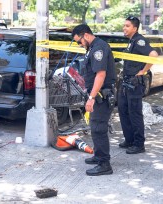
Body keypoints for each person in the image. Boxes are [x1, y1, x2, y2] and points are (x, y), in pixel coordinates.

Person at [72, 24, 116, 176]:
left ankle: (104, 164)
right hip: (97, 95)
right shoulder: (91, 48)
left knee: (98, 128)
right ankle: (98, 155)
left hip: (101, 96)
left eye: (79, 41)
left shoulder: (99, 48)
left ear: (85, 34)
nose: (79, 44)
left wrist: (91, 98)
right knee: (95, 126)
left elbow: (100, 75)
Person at [118, 16, 158, 154]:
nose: (124, 28)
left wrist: (143, 71)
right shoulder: (131, 41)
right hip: (126, 82)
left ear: (134, 28)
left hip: (134, 84)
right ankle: (129, 140)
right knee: (123, 111)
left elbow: (153, 55)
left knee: (134, 114)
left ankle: (139, 144)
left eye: (127, 26)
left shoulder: (139, 40)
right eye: (124, 25)